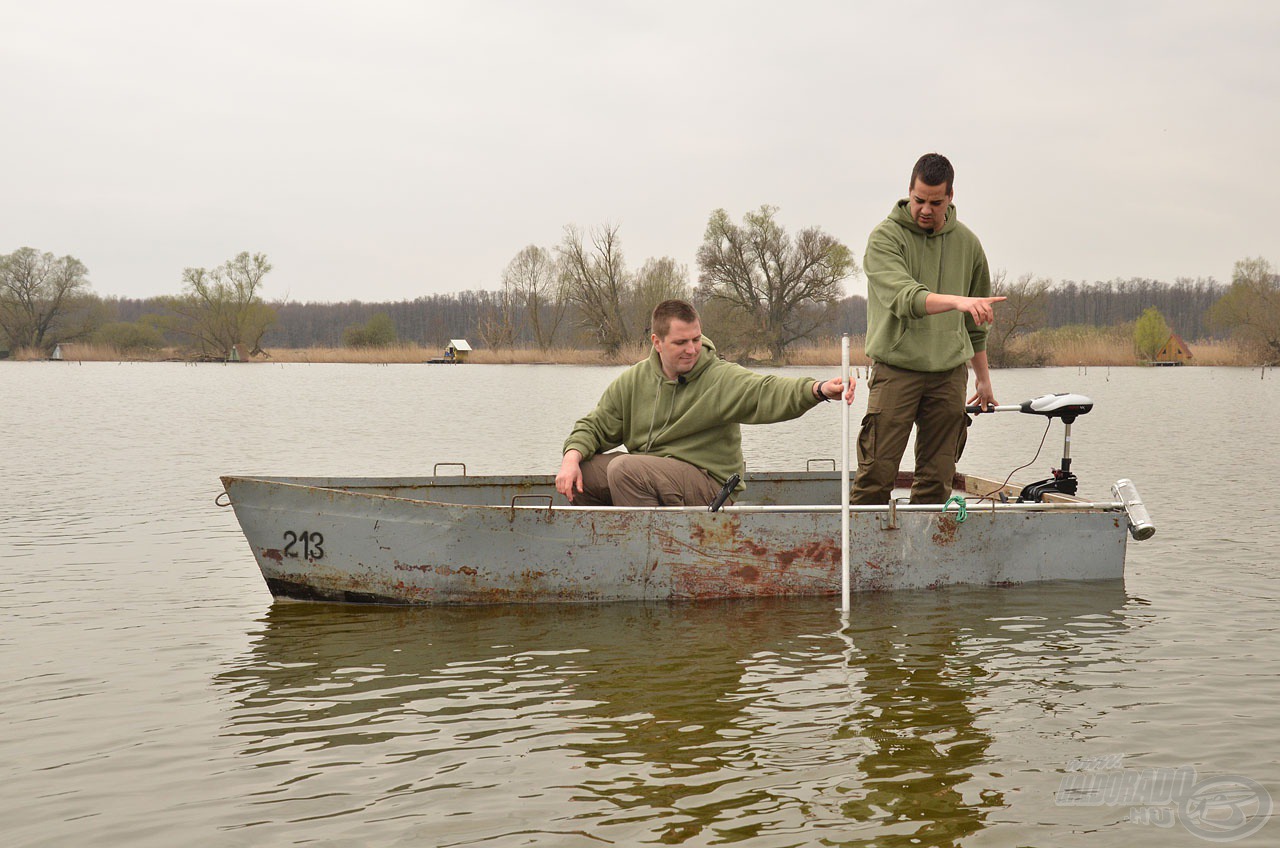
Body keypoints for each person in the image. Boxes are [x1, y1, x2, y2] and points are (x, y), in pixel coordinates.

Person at [556, 299, 855, 507]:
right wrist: (571, 459)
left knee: (624, 469)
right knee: (584, 470)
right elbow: (594, 426)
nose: (692, 349)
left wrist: (819, 389)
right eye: (681, 343)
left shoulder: (718, 377)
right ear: (657, 342)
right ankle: (613, 543)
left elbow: (766, 392)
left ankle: (652, 553)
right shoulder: (634, 381)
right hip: (653, 474)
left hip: (709, 484)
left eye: (696, 340)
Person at [850, 153, 1005, 505]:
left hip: (949, 374)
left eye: (935, 202)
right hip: (896, 370)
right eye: (919, 200)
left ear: (950, 198)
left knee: (938, 482)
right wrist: (957, 301)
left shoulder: (968, 244)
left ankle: (926, 557)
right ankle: (862, 556)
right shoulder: (884, 239)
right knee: (876, 476)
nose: (925, 209)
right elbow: (906, 298)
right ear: (909, 192)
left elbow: (977, 322)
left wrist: (982, 378)